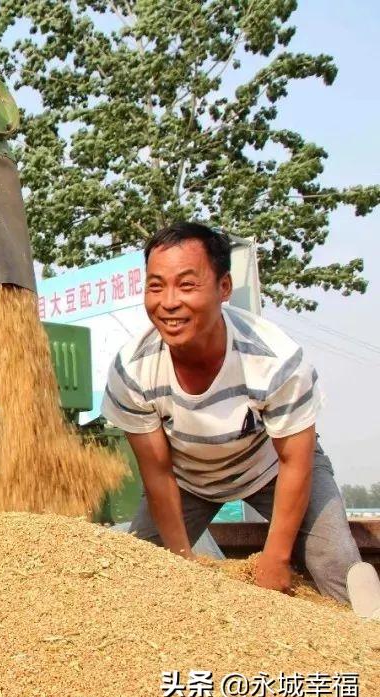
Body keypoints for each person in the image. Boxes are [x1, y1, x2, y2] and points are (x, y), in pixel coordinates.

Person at [101, 221, 368, 605]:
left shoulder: (274, 360)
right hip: (188, 480)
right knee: (142, 576)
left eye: (187, 285)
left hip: (272, 472)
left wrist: (275, 558)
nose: (169, 302)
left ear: (224, 288)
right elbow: (157, 473)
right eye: (156, 286)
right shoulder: (132, 370)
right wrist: (180, 561)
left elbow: (295, 461)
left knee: (340, 570)